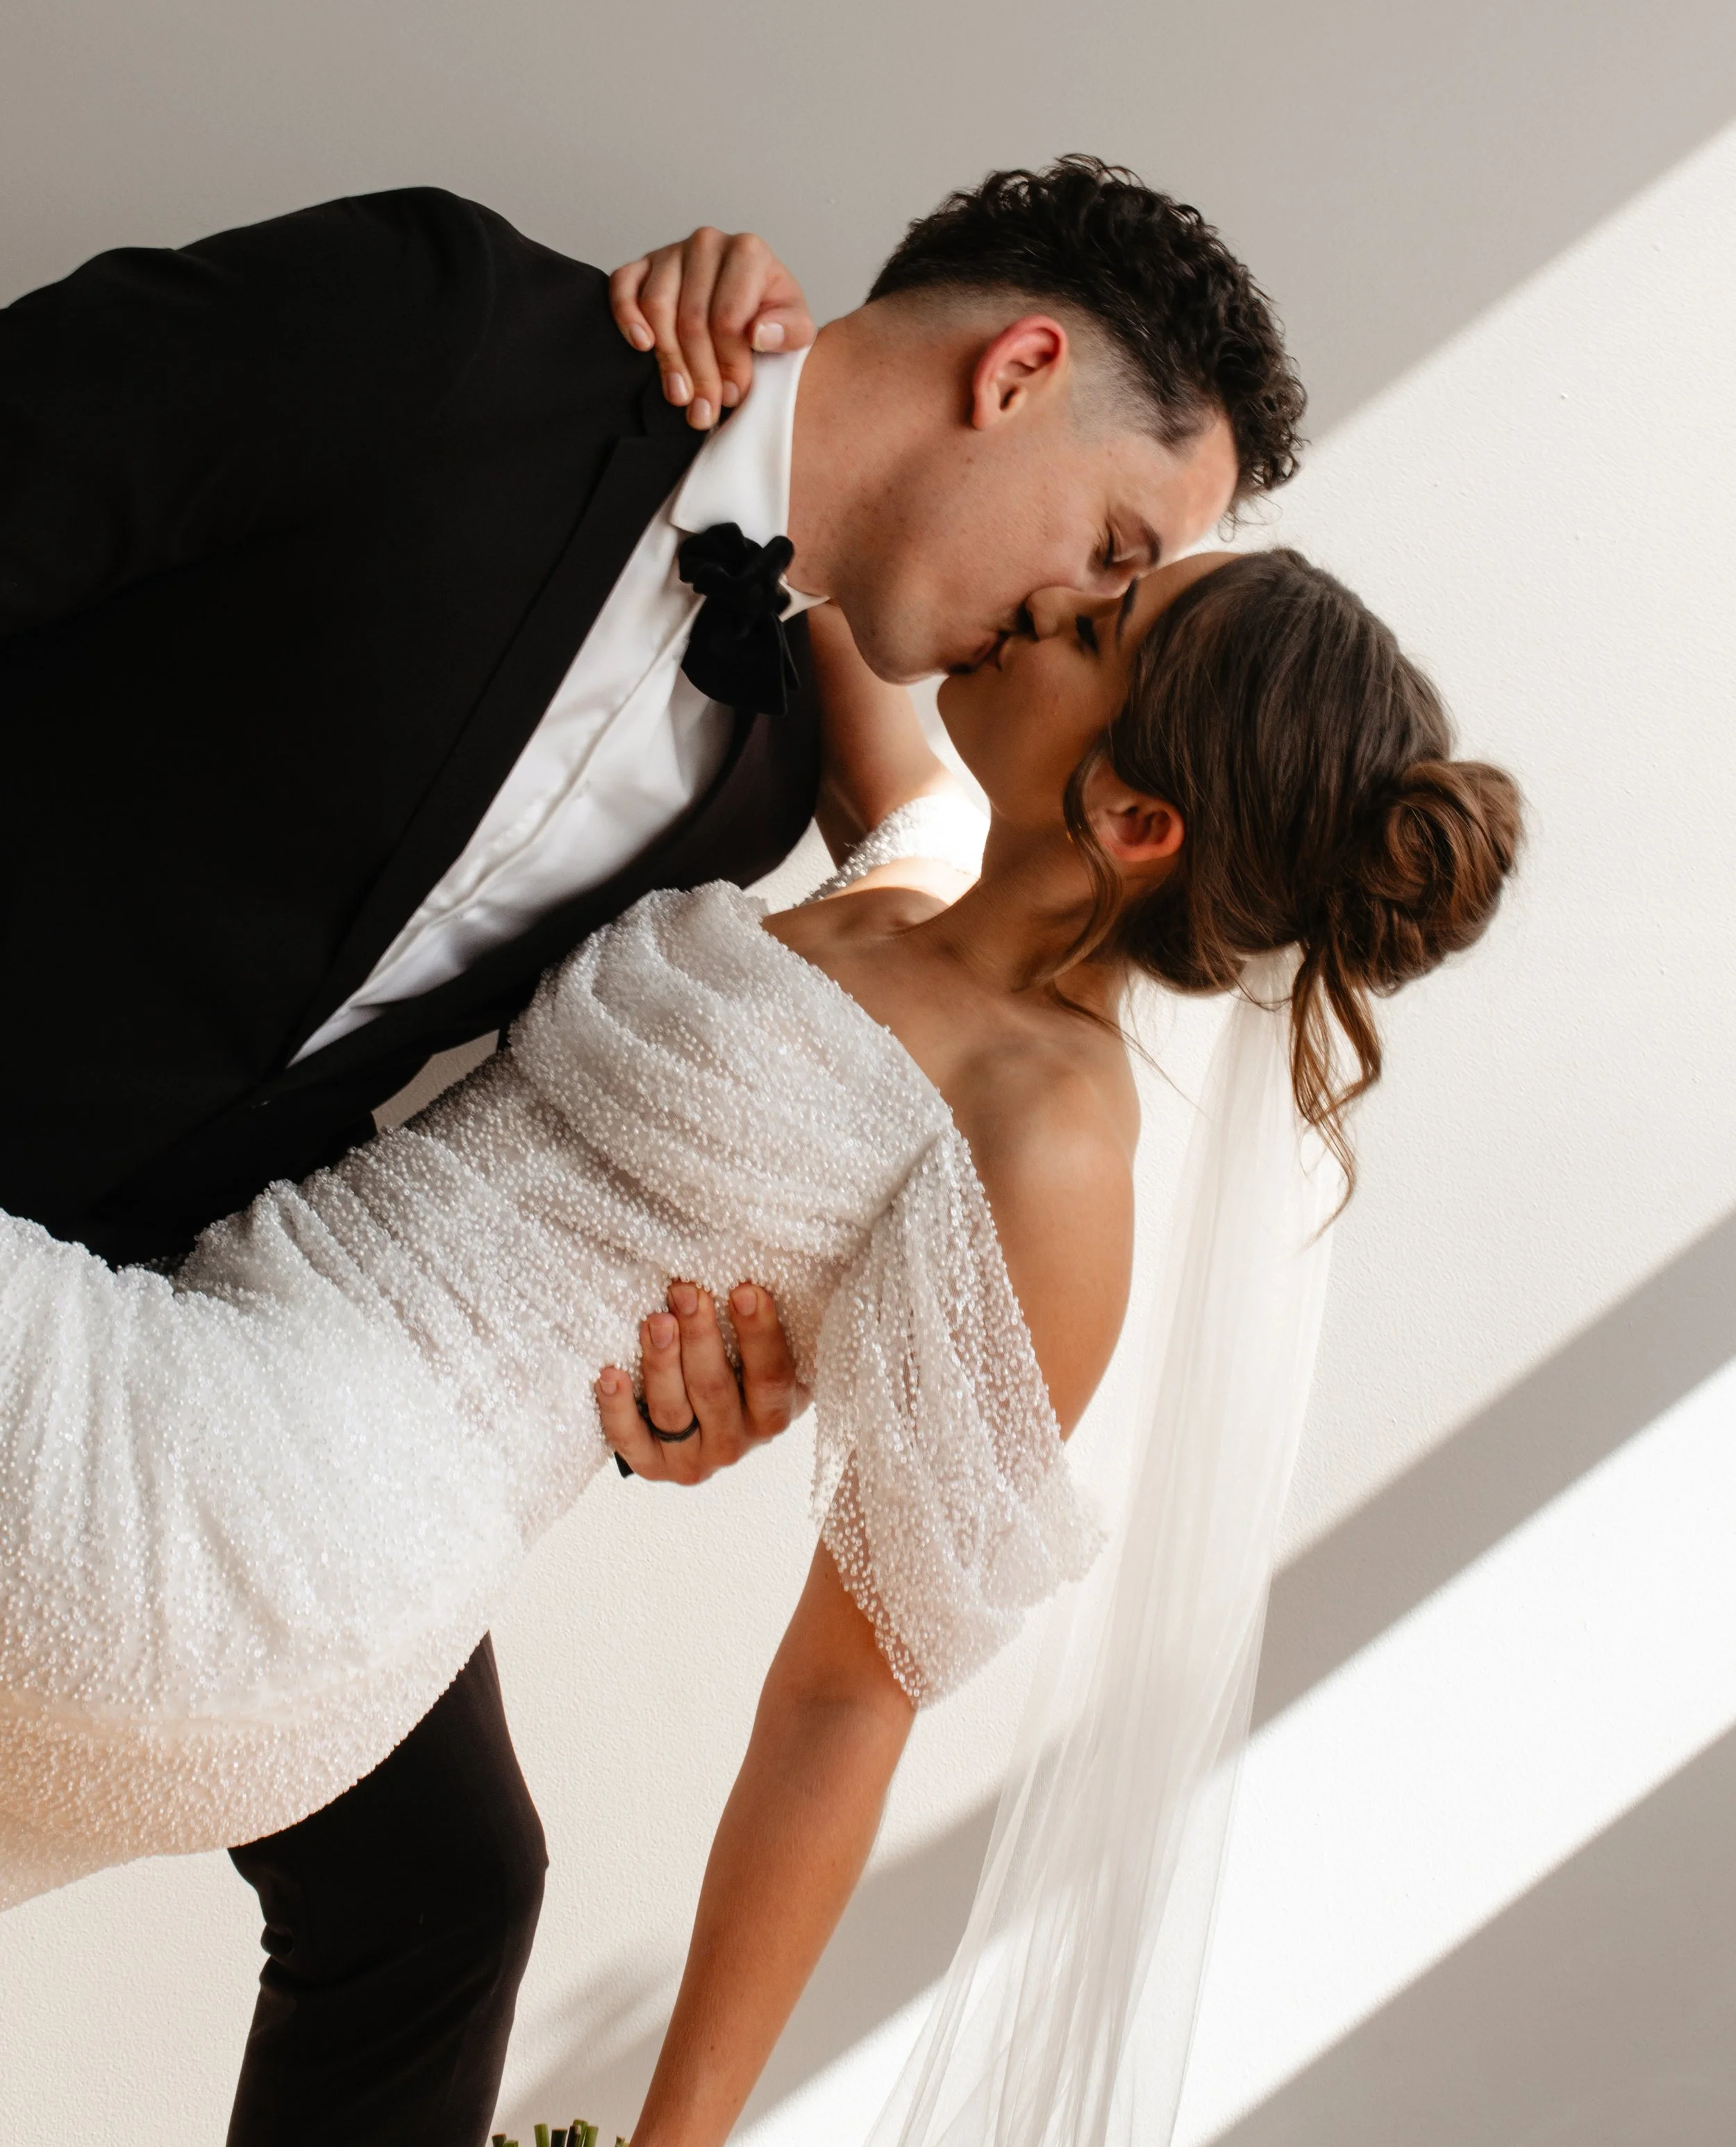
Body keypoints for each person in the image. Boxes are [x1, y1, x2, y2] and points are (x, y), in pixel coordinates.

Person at [0, 157, 1302, 2138]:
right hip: (164, 1318)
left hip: (197, 1329)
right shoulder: (446, 334)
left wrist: (682, 1366)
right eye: (1118, 544)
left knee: (441, 1884)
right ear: (1019, 363)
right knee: (439, 1871)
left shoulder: (766, 765)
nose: (1075, 608)